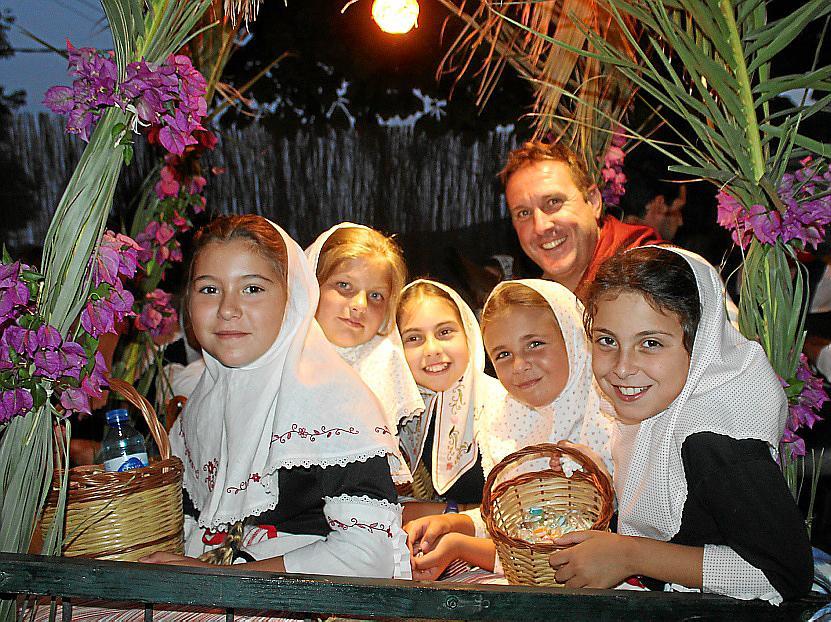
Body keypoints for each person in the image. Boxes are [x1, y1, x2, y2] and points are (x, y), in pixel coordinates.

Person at [142, 214, 410, 579]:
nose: (227, 309)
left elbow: (369, 557)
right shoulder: (201, 407)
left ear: (293, 298)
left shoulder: (334, 405)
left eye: (252, 288)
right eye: (209, 289)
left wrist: (224, 579)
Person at [548, 245, 813, 602]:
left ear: (701, 342)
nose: (622, 367)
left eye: (651, 343)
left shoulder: (716, 441)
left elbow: (782, 576)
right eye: (607, 340)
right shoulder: (651, 414)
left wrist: (631, 554)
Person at [405, 279, 614, 581]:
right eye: (503, 354)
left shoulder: (612, 417)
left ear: (572, 337)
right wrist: (455, 523)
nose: (519, 364)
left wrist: (461, 546)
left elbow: (555, 556)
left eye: (535, 344)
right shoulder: (507, 417)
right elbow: (528, 519)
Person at [396, 280, 505, 520]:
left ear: (468, 333)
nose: (432, 349)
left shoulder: (502, 405)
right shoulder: (397, 415)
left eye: (444, 332)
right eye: (414, 338)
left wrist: (456, 517)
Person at [305, 222, 423, 443]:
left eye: (376, 296)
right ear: (311, 285)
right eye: (344, 285)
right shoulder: (283, 361)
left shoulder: (386, 364)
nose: (360, 304)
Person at [501, 141, 662, 292]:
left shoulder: (647, 272)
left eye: (553, 202)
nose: (541, 226)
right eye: (523, 213)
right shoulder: (533, 301)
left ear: (593, 201)